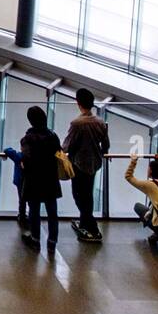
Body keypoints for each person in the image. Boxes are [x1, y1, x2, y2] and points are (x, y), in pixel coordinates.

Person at [64, 87, 110, 243]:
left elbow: (67, 146)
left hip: (78, 163)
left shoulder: (77, 123)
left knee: (78, 195)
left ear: (78, 103)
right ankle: (85, 222)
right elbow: (106, 144)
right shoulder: (101, 122)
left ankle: (91, 226)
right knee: (88, 194)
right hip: (94, 163)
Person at [19, 105, 62, 254]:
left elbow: (26, 158)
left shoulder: (28, 138)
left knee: (34, 210)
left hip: (34, 179)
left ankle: (35, 239)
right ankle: (52, 242)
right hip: (50, 178)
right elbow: (59, 152)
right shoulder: (52, 136)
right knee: (52, 212)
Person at [1, 143, 27, 224]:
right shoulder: (32, 156)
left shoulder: (18, 156)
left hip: (20, 182)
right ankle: (30, 218)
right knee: (30, 200)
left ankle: (22, 216)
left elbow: (8, 150)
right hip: (29, 181)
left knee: (22, 200)